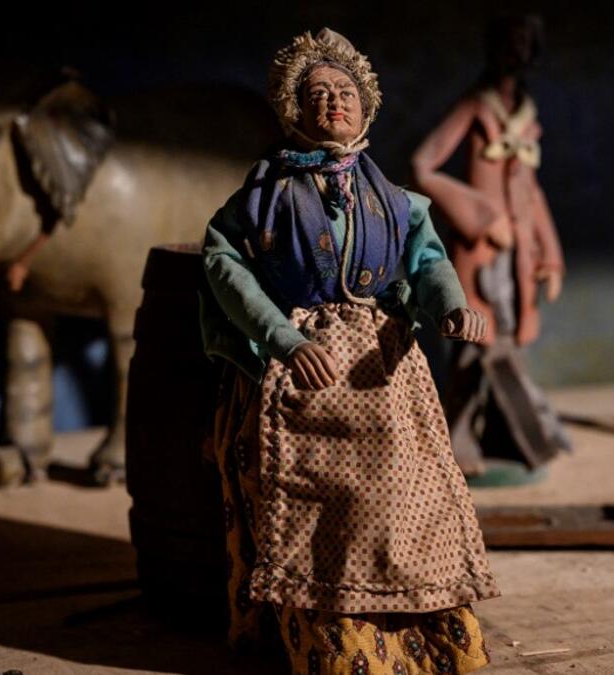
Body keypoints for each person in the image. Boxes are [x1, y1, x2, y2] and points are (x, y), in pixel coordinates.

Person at [201, 28, 498, 674]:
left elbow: (428, 261)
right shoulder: (263, 196)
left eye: (346, 92)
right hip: (298, 367)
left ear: (367, 106)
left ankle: (426, 629)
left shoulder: (395, 201)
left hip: (381, 368)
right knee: (321, 503)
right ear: (293, 110)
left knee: (408, 490)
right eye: (318, 94)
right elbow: (222, 263)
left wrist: (449, 306)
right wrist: (281, 337)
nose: (335, 103)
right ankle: (333, 634)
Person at [411, 15, 569, 480]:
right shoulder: (474, 106)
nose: (517, 51)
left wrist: (549, 255)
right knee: (469, 348)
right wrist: (484, 216)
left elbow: (532, 190)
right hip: (482, 251)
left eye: (525, 42)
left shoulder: (525, 112)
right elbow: (423, 167)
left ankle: (502, 433)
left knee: (505, 344)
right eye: (510, 40)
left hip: (517, 258)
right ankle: (454, 443)